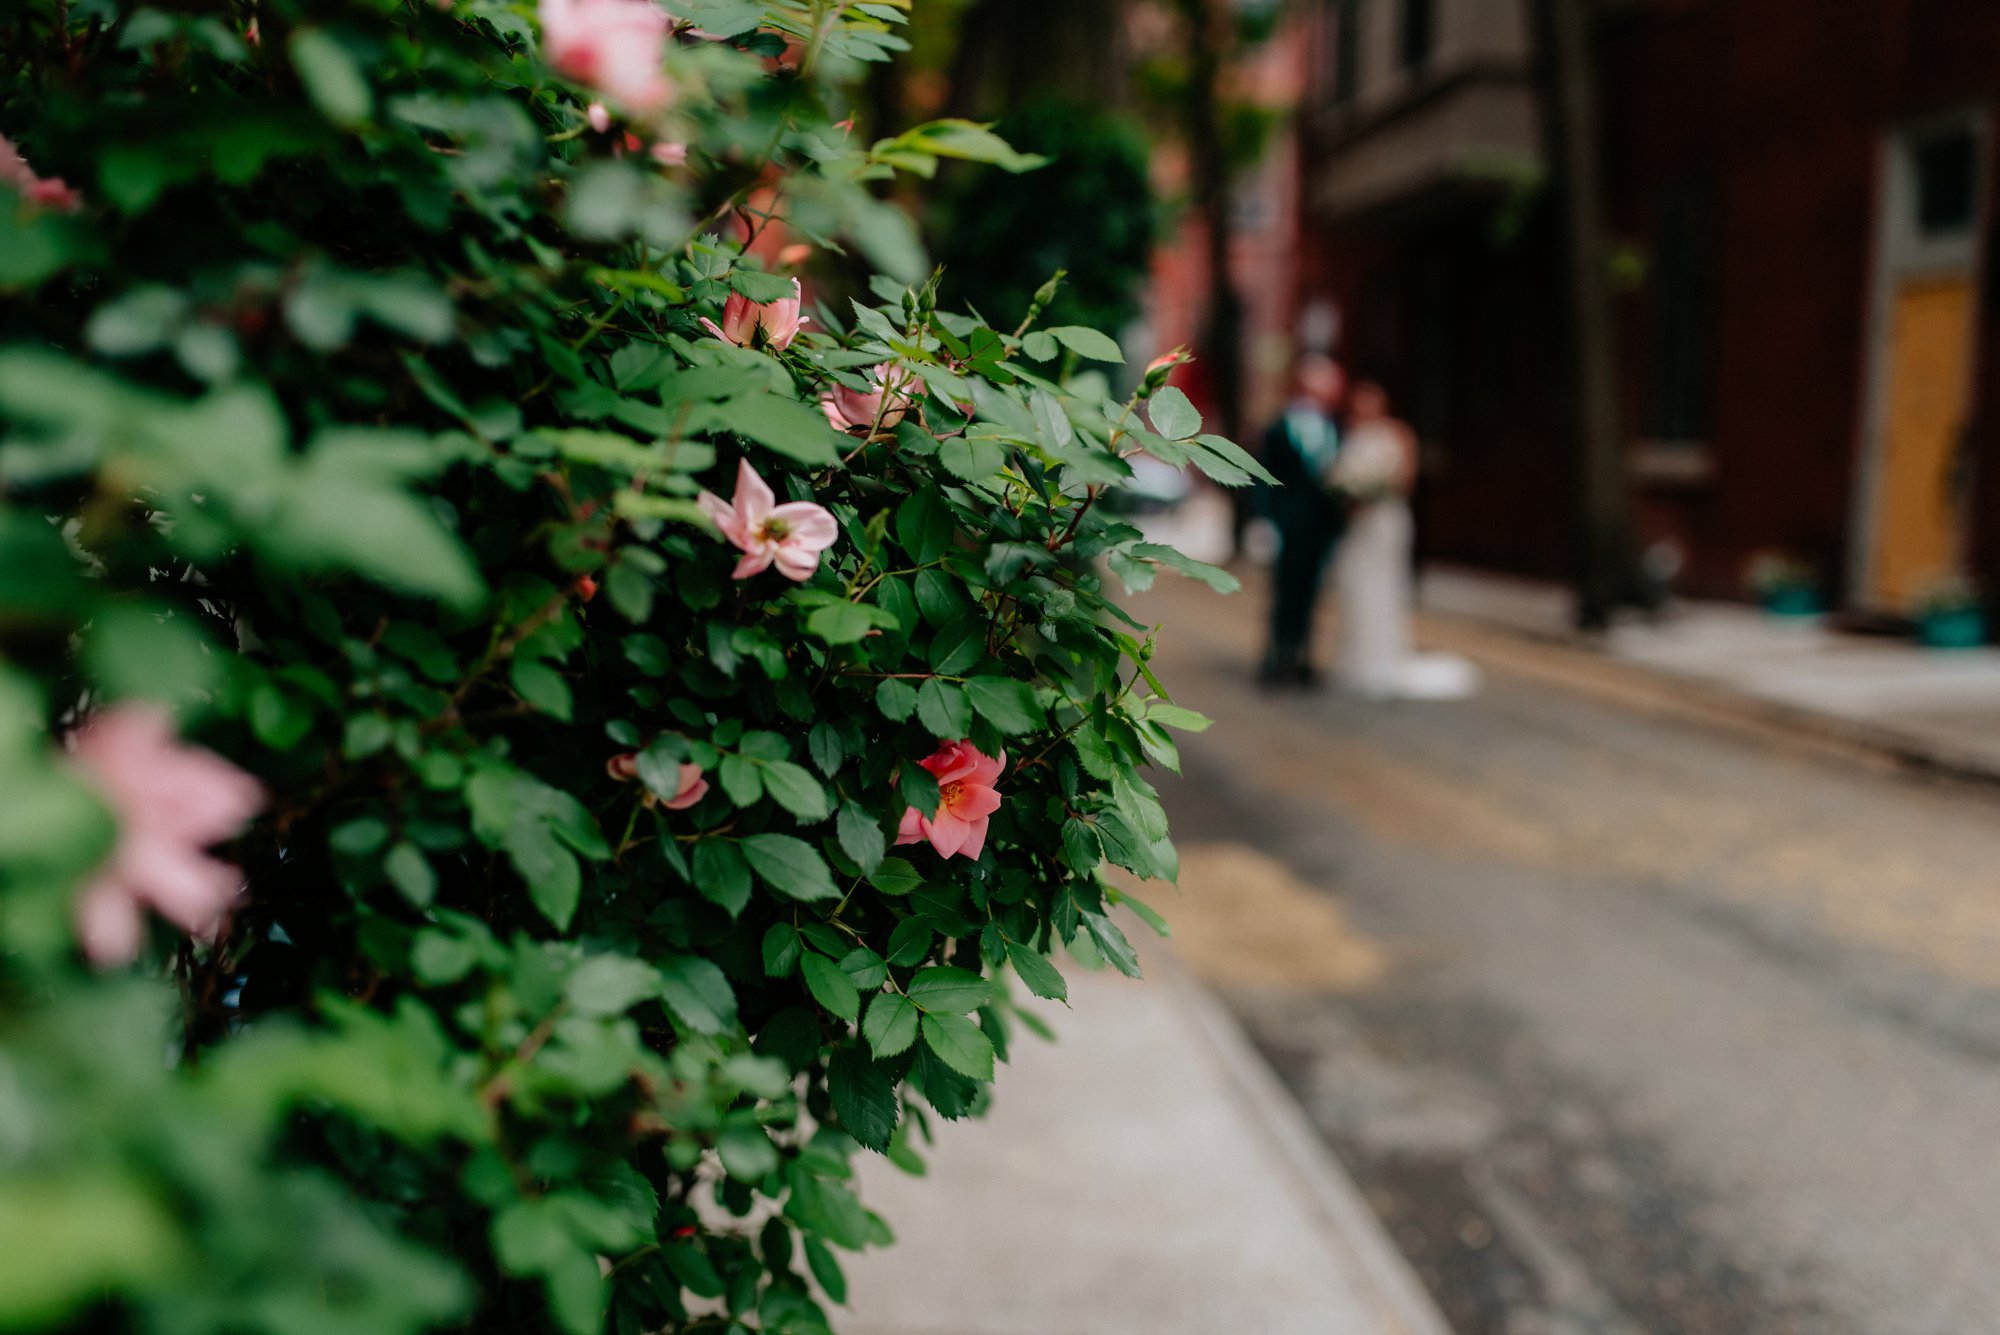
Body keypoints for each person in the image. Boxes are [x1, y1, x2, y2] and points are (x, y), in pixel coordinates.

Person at [1330, 381, 1479, 700]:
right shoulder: (1351, 436)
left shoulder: (1398, 434)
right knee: (1357, 586)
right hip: (1358, 526)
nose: (1363, 410)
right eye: (1358, 404)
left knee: (1383, 586)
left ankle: (1382, 658)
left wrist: (1371, 491)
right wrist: (1349, 497)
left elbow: (1405, 481)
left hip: (1385, 521)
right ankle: (1358, 659)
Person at [1258, 354, 1349, 686]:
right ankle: (1277, 656)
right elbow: (1263, 477)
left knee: (1311, 594)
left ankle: (1302, 657)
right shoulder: (1278, 426)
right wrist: (1265, 520)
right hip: (1287, 524)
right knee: (1284, 593)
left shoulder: (1337, 426)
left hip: (1320, 528)